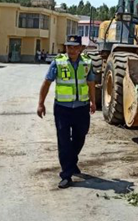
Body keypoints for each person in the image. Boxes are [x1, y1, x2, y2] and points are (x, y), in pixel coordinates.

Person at [37, 35, 96, 189]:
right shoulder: (58, 63)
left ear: (80, 48)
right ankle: (66, 175)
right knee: (64, 141)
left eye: (75, 47)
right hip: (62, 108)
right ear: (66, 48)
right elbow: (47, 83)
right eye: (69, 47)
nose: (72, 50)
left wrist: (93, 102)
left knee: (80, 136)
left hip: (82, 108)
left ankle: (71, 162)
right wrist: (41, 104)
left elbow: (91, 83)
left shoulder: (87, 63)